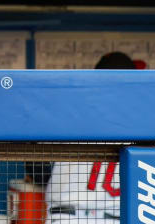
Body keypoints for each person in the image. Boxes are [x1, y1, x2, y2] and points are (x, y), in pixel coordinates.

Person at [44, 52, 135, 221]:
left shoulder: (67, 112)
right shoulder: (140, 121)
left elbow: (36, 169)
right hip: (115, 217)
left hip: (65, 216)